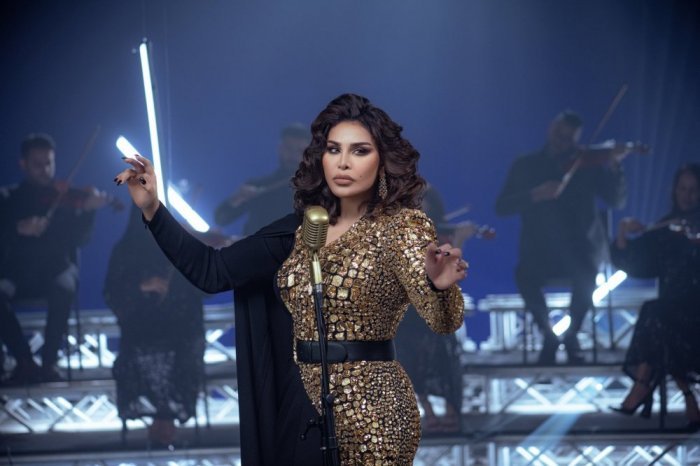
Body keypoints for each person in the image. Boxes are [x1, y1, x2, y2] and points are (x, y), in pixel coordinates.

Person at [115, 93, 467, 465]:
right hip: (300, 405)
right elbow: (212, 271)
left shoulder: (402, 228)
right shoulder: (296, 231)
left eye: (360, 151)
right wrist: (153, 209)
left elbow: (443, 321)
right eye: (334, 149)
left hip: (375, 407)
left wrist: (439, 286)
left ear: (382, 160)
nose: (343, 162)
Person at [495, 111, 628, 364]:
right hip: (540, 251)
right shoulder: (526, 165)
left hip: (581, 250)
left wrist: (615, 165)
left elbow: (616, 200)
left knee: (588, 272)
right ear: (551, 128)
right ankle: (548, 334)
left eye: (569, 139)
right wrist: (534, 194)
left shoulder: (587, 163)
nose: (562, 142)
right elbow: (501, 206)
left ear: (577, 139)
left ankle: (572, 335)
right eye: (559, 134)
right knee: (523, 275)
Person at [0, 133, 107, 383]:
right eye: (37, 164)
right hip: (17, 273)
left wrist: (88, 212)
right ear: (23, 164)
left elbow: (80, 240)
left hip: (56, 269)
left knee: (64, 287)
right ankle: (24, 361)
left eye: (49, 163)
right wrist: (17, 229)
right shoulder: (8, 198)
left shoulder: (65, 198)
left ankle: (49, 362)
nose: (45, 170)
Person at [104, 205, 205, 446]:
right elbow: (111, 292)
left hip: (180, 324)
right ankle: (162, 411)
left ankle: (165, 411)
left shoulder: (179, 243)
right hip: (141, 325)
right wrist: (142, 286)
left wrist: (192, 252)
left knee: (180, 355)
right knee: (138, 356)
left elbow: (204, 285)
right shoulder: (125, 249)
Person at [610, 163, 700, 430]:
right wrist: (623, 233)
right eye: (682, 189)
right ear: (674, 191)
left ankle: (641, 389)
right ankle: (686, 400)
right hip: (673, 314)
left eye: (694, 190)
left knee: (657, 316)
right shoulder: (667, 227)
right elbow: (636, 263)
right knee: (660, 322)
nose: (687, 196)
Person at [396, 183, 475, 433]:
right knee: (409, 356)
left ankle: (451, 411)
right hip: (409, 309)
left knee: (444, 353)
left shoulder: (439, 236)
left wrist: (459, 241)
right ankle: (428, 411)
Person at [214, 123, 309, 235]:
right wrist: (237, 198)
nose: (293, 155)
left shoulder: (311, 193)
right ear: (280, 148)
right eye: (289, 148)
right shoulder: (259, 186)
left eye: (299, 150)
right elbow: (221, 218)